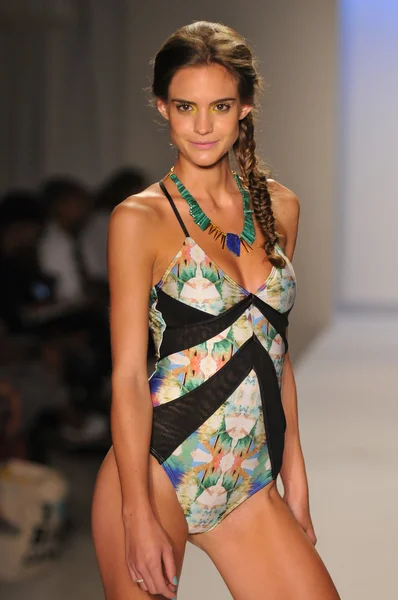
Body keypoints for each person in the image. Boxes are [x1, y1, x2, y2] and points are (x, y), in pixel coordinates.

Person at [91, 21, 341, 600]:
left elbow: (275, 351)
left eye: (220, 106)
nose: (202, 126)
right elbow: (128, 373)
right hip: (157, 470)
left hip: (248, 481)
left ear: (245, 107)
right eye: (185, 106)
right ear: (163, 107)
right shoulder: (140, 219)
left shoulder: (280, 208)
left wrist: (293, 473)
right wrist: (135, 513)